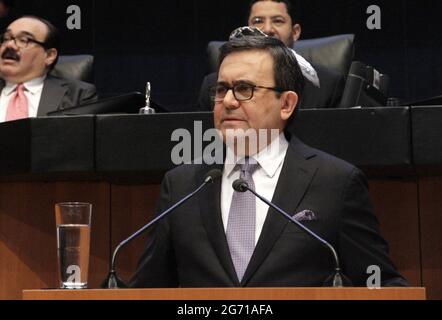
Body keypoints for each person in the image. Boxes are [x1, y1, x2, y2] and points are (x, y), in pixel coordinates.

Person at [130, 35, 407, 288]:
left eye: (244, 89)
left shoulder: (335, 182)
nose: (227, 101)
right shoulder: (181, 185)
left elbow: (383, 285)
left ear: (286, 104)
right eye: (221, 89)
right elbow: (147, 289)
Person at [197, 0, 345, 111]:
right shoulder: (213, 85)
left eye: (278, 21)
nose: (267, 29)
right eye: (258, 21)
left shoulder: (328, 85)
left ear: (295, 32)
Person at [0, 16, 97, 122]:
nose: (9, 45)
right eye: (6, 38)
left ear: (49, 55)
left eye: (24, 40)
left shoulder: (78, 96)